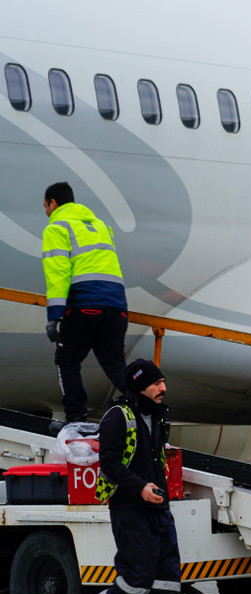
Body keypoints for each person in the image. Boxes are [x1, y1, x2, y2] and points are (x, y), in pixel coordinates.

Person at [76, 359, 186, 594]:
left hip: (157, 507)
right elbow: (109, 464)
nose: (163, 388)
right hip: (130, 508)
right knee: (138, 575)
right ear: (139, 386)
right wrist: (140, 488)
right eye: (156, 383)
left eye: (163, 382)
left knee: (167, 574)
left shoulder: (157, 416)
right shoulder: (117, 416)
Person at [41, 181, 128, 430]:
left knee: (67, 360)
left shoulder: (57, 228)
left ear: (53, 203)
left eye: (45, 205)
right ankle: (145, 412)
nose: (45, 210)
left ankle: (76, 419)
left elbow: (58, 272)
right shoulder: (100, 225)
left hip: (84, 303)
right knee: (114, 364)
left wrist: (55, 315)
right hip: (116, 305)